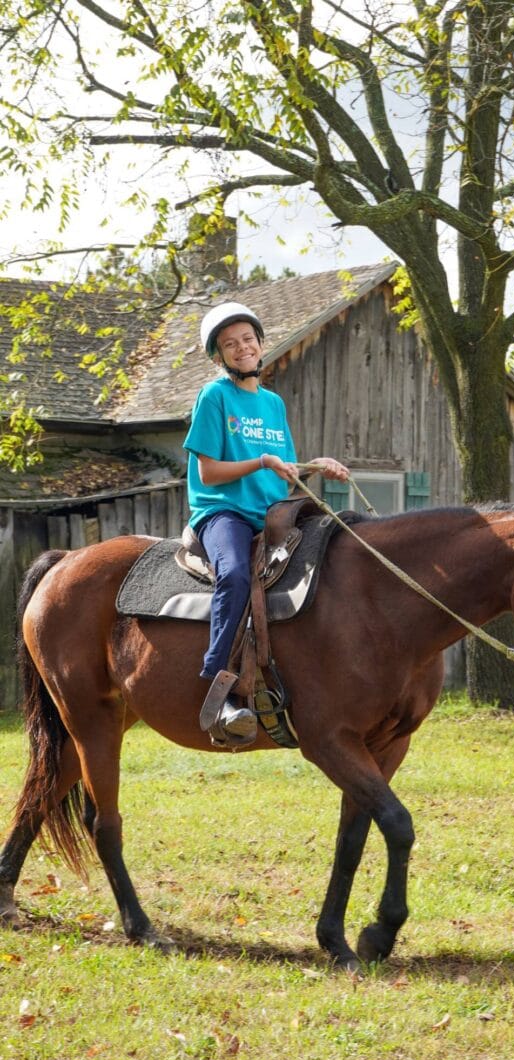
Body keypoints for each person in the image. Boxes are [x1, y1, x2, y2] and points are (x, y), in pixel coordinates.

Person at [184, 301, 349, 745]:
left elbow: (284, 471)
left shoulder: (273, 403)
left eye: (247, 340)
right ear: (219, 356)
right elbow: (208, 473)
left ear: (260, 344)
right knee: (236, 575)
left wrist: (315, 466)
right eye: (230, 344)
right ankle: (218, 685)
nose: (242, 348)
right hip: (224, 513)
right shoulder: (214, 396)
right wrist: (259, 460)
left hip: (273, 513)